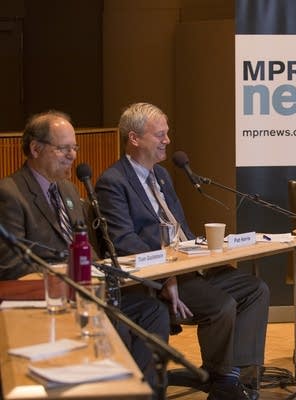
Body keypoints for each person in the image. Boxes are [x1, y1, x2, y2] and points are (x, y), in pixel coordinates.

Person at [95, 102, 269, 400]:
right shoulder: (113, 182)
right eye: (160, 135)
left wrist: (210, 250)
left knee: (255, 289)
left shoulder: (162, 176)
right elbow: (123, 241)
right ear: (134, 138)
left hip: (191, 265)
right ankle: (223, 381)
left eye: (167, 133)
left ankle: (239, 376)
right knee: (221, 304)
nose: (168, 141)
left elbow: (180, 230)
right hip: (159, 276)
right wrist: (166, 276)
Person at [0, 110, 170, 398]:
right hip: (47, 298)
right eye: (64, 148)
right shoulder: (10, 193)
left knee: (151, 310)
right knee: (117, 328)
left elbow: (84, 245)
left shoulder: (67, 189)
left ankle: (146, 393)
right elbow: (11, 267)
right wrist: (70, 276)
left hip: (86, 291)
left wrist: (102, 273)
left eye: (74, 148)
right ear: (35, 148)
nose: (72, 156)